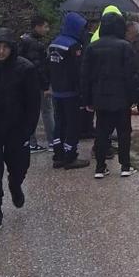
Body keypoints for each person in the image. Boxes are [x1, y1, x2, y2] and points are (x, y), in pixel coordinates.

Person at [0, 29, 41, 230]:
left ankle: (15, 186)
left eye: (5, 47)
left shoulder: (25, 69)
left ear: (11, 48)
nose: (1, 51)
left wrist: (28, 129)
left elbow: (33, 103)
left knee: (19, 166)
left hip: (17, 129)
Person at [81, 9, 135, 178]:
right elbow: (130, 75)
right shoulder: (125, 46)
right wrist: (133, 98)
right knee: (124, 132)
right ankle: (125, 166)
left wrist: (87, 100)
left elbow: (85, 76)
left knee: (102, 132)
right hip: (122, 97)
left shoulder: (91, 47)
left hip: (100, 97)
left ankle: (100, 167)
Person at [48, 11, 90, 169]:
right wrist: (82, 92)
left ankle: (58, 155)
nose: (83, 31)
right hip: (71, 92)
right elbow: (77, 70)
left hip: (57, 91)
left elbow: (49, 67)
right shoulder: (74, 46)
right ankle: (70, 156)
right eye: (82, 28)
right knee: (73, 124)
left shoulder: (54, 43)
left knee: (59, 123)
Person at [19, 14, 53, 153]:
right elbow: (38, 66)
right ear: (37, 27)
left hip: (26, 83)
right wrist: (46, 86)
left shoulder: (24, 40)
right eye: (45, 26)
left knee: (29, 112)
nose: (47, 29)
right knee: (47, 111)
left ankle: (31, 143)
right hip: (37, 84)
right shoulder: (35, 44)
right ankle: (53, 141)